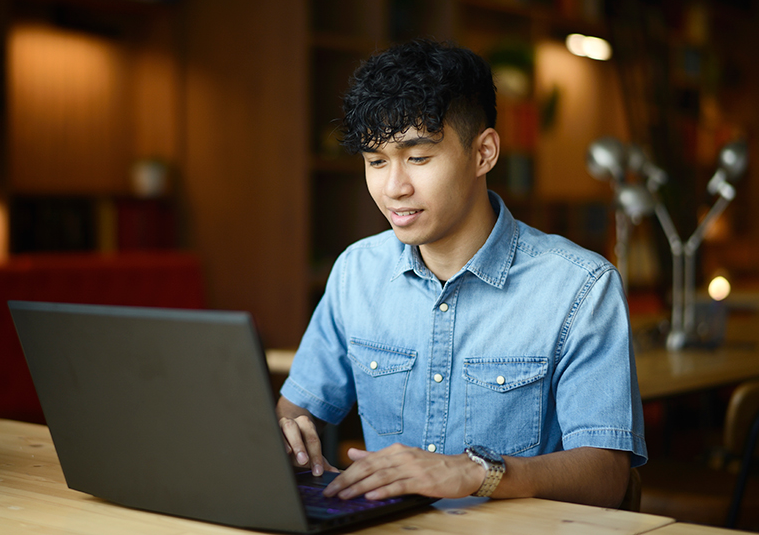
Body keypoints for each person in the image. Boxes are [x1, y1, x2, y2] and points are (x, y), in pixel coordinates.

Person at [277, 39, 647, 508]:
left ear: (484, 152)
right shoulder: (357, 272)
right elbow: (294, 415)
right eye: (375, 162)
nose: (394, 188)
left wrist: (472, 472)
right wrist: (287, 436)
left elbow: (607, 476)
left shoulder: (580, 286)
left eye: (418, 157)